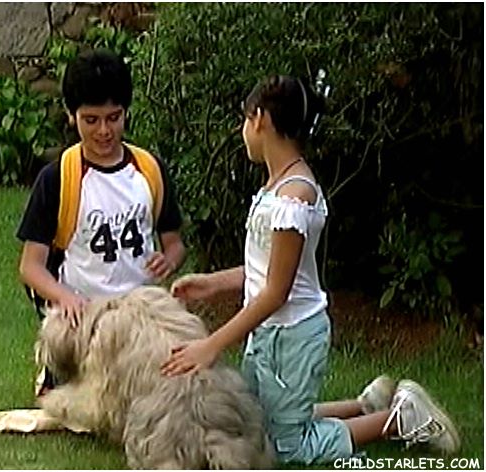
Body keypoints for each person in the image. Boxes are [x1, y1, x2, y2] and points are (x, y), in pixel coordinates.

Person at [160, 74, 460, 464]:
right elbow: (266, 269)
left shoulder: (295, 195)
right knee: (258, 424)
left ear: (260, 119)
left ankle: (400, 419)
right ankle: (365, 405)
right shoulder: (277, 186)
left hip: (291, 338)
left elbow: (277, 291)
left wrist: (211, 345)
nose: (242, 131)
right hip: (271, 334)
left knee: (287, 446)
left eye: (244, 119)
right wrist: (213, 283)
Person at [18, 48, 186, 394]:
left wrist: (169, 260)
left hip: (140, 315)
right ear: (72, 117)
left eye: (113, 118)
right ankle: (58, 375)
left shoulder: (149, 170)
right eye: (91, 120)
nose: (104, 131)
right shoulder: (58, 179)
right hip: (86, 317)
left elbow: (175, 244)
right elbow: (31, 267)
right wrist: (64, 297)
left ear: (126, 113)